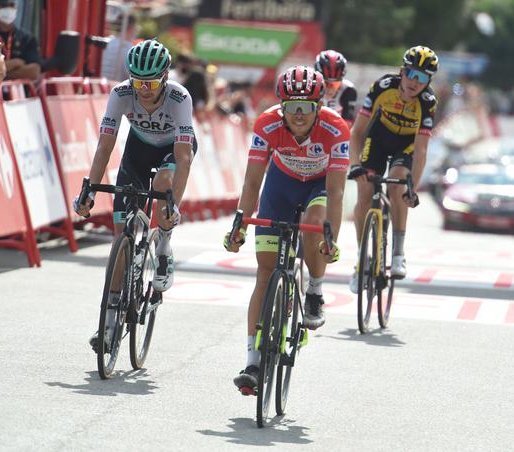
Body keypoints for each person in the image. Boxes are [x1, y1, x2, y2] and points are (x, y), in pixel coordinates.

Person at [223, 66, 349, 393]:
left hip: (318, 187)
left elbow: (336, 192)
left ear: (319, 106)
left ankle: (315, 290)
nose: (297, 115)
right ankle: (252, 362)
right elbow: (252, 181)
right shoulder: (268, 123)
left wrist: (330, 237)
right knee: (265, 273)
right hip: (280, 186)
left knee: (313, 223)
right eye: (291, 107)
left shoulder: (336, 129)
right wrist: (240, 222)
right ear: (282, 106)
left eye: (306, 107)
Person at [73, 39, 196, 351]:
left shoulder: (179, 97)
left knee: (164, 184)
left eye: (151, 82)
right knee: (120, 238)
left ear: (165, 77)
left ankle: (165, 246)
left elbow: (183, 157)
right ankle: (109, 325)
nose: (144, 89)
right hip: (138, 152)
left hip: (173, 150)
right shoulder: (121, 93)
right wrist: (89, 188)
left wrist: (173, 206)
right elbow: (105, 144)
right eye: (138, 81)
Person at [347, 45, 437, 290]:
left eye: (423, 78)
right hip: (378, 138)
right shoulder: (382, 87)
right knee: (365, 192)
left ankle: (398, 253)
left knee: (398, 182)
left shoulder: (428, 103)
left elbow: (421, 151)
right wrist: (355, 165)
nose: (415, 82)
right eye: (411, 74)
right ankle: (361, 259)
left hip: (405, 147)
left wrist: (413, 189)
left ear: (428, 82)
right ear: (402, 72)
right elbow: (357, 132)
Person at [0, 1, 41, 81]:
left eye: (12, 5)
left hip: (17, 92)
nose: (9, 9)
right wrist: (15, 63)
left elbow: (34, 72)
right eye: (4, 5)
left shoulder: (27, 38)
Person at [314, 49, 357, 126]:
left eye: (335, 83)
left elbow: (347, 123)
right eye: (326, 83)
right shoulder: (310, 87)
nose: (330, 88)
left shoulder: (348, 90)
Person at [100, 13, 137, 81]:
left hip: (100, 85)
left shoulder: (105, 42)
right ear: (131, 28)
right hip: (116, 88)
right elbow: (132, 76)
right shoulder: (128, 48)